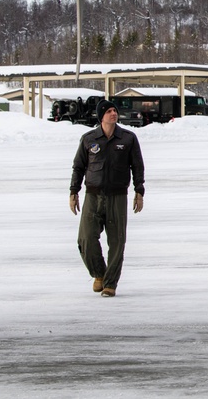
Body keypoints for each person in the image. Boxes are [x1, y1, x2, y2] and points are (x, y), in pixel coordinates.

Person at [69, 98, 145, 297]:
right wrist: (73, 192)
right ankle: (99, 274)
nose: (113, 113)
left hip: (117, 196)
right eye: (109, 111)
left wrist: (139, 191)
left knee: (117, 242)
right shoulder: (88, 139)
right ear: (101, 115)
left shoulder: (128, 138)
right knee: (85, 239)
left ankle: (110, 283)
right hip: (93, 196)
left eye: (114, 110)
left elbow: (137, 166)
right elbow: (78, 167)